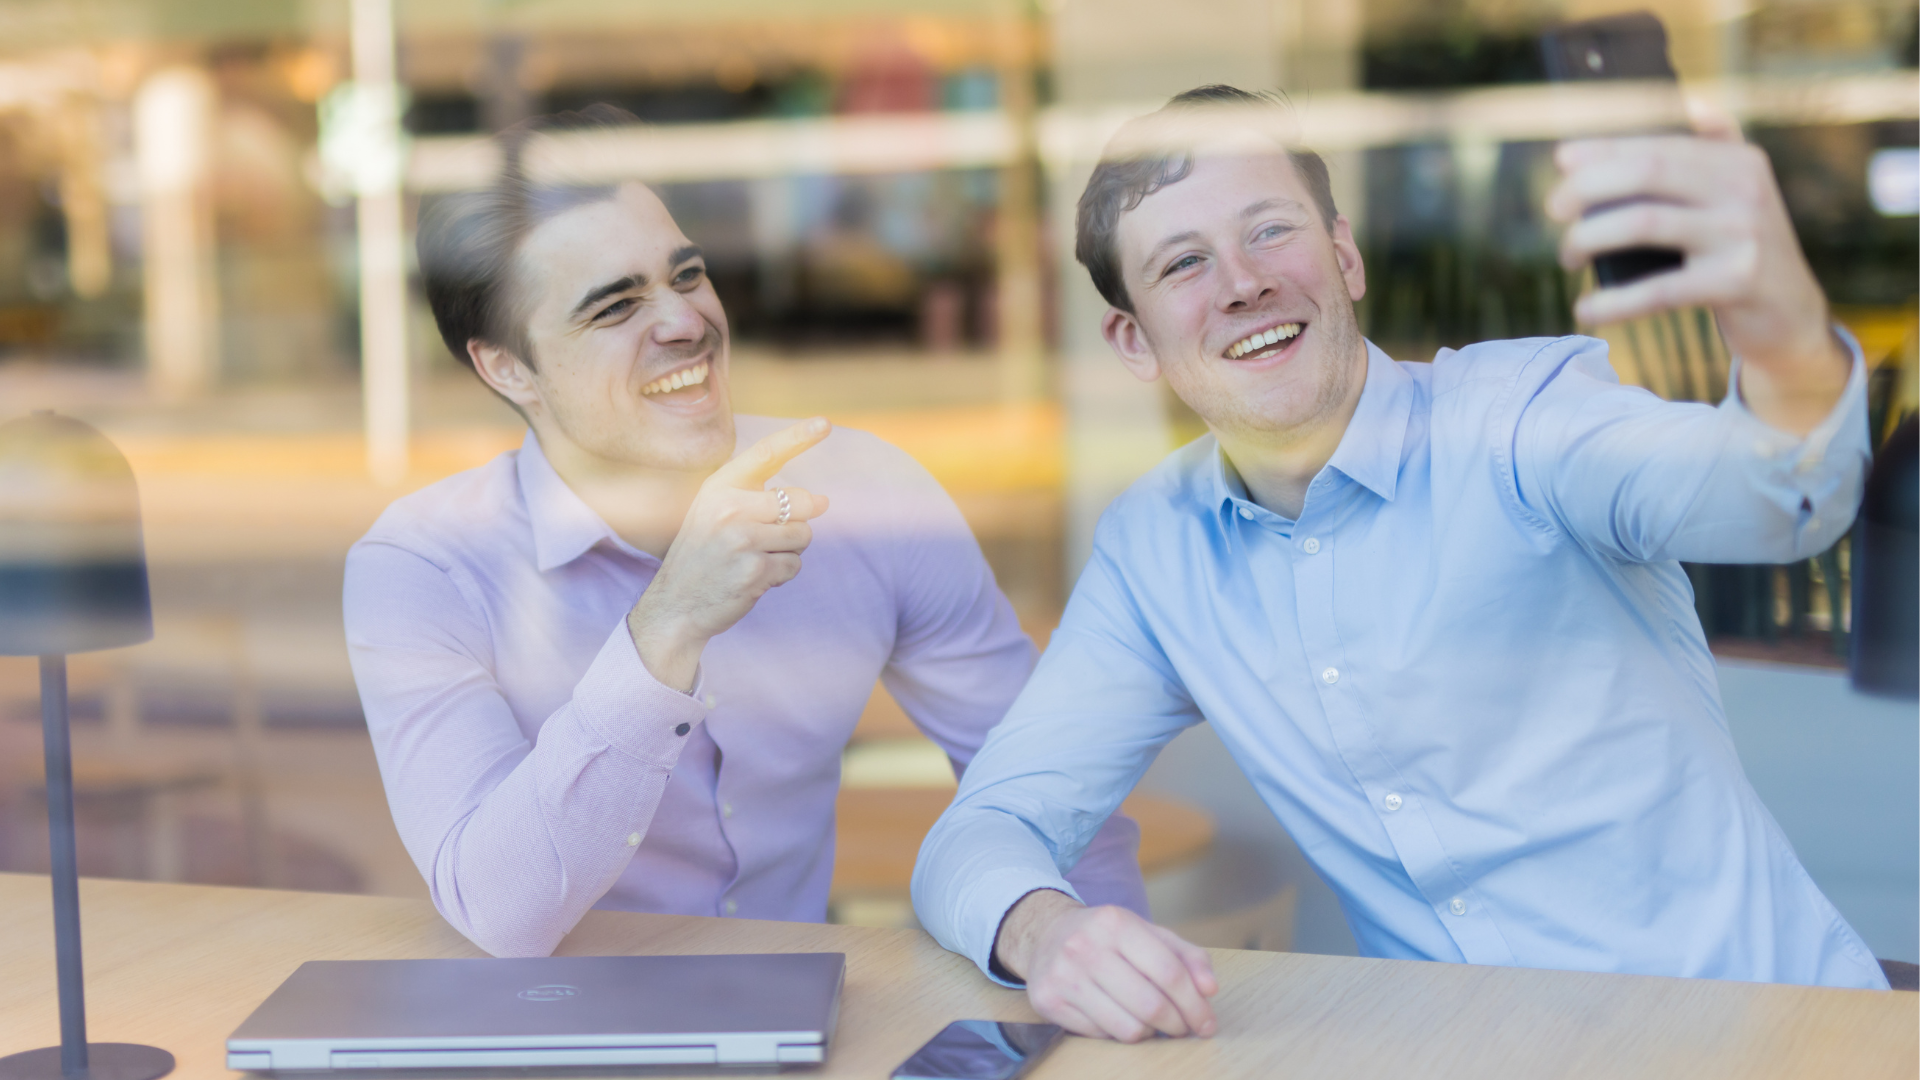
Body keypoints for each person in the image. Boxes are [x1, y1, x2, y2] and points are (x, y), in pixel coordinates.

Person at [911, 84, 1890, 1042]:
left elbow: (1778, 496)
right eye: (1184, 263)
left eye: (1270, 230)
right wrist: (1047, 932)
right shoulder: (1157, 549)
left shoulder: (1519, 422)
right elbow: (983, 829)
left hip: (1770, 1042)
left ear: (1344, 256)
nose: (1243, 283)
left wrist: (1786, 338)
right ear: (1135, 341)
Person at [342, 107, 1145, 958]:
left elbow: (1051, 795)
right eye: (614, 307)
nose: (686, 322)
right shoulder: (424, 568)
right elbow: (501, 911)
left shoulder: (871, 497)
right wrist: (668, 624)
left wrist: (1100, 980)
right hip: (545, 1019)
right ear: (508, 368)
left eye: (685, 276)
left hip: (803, 1007)